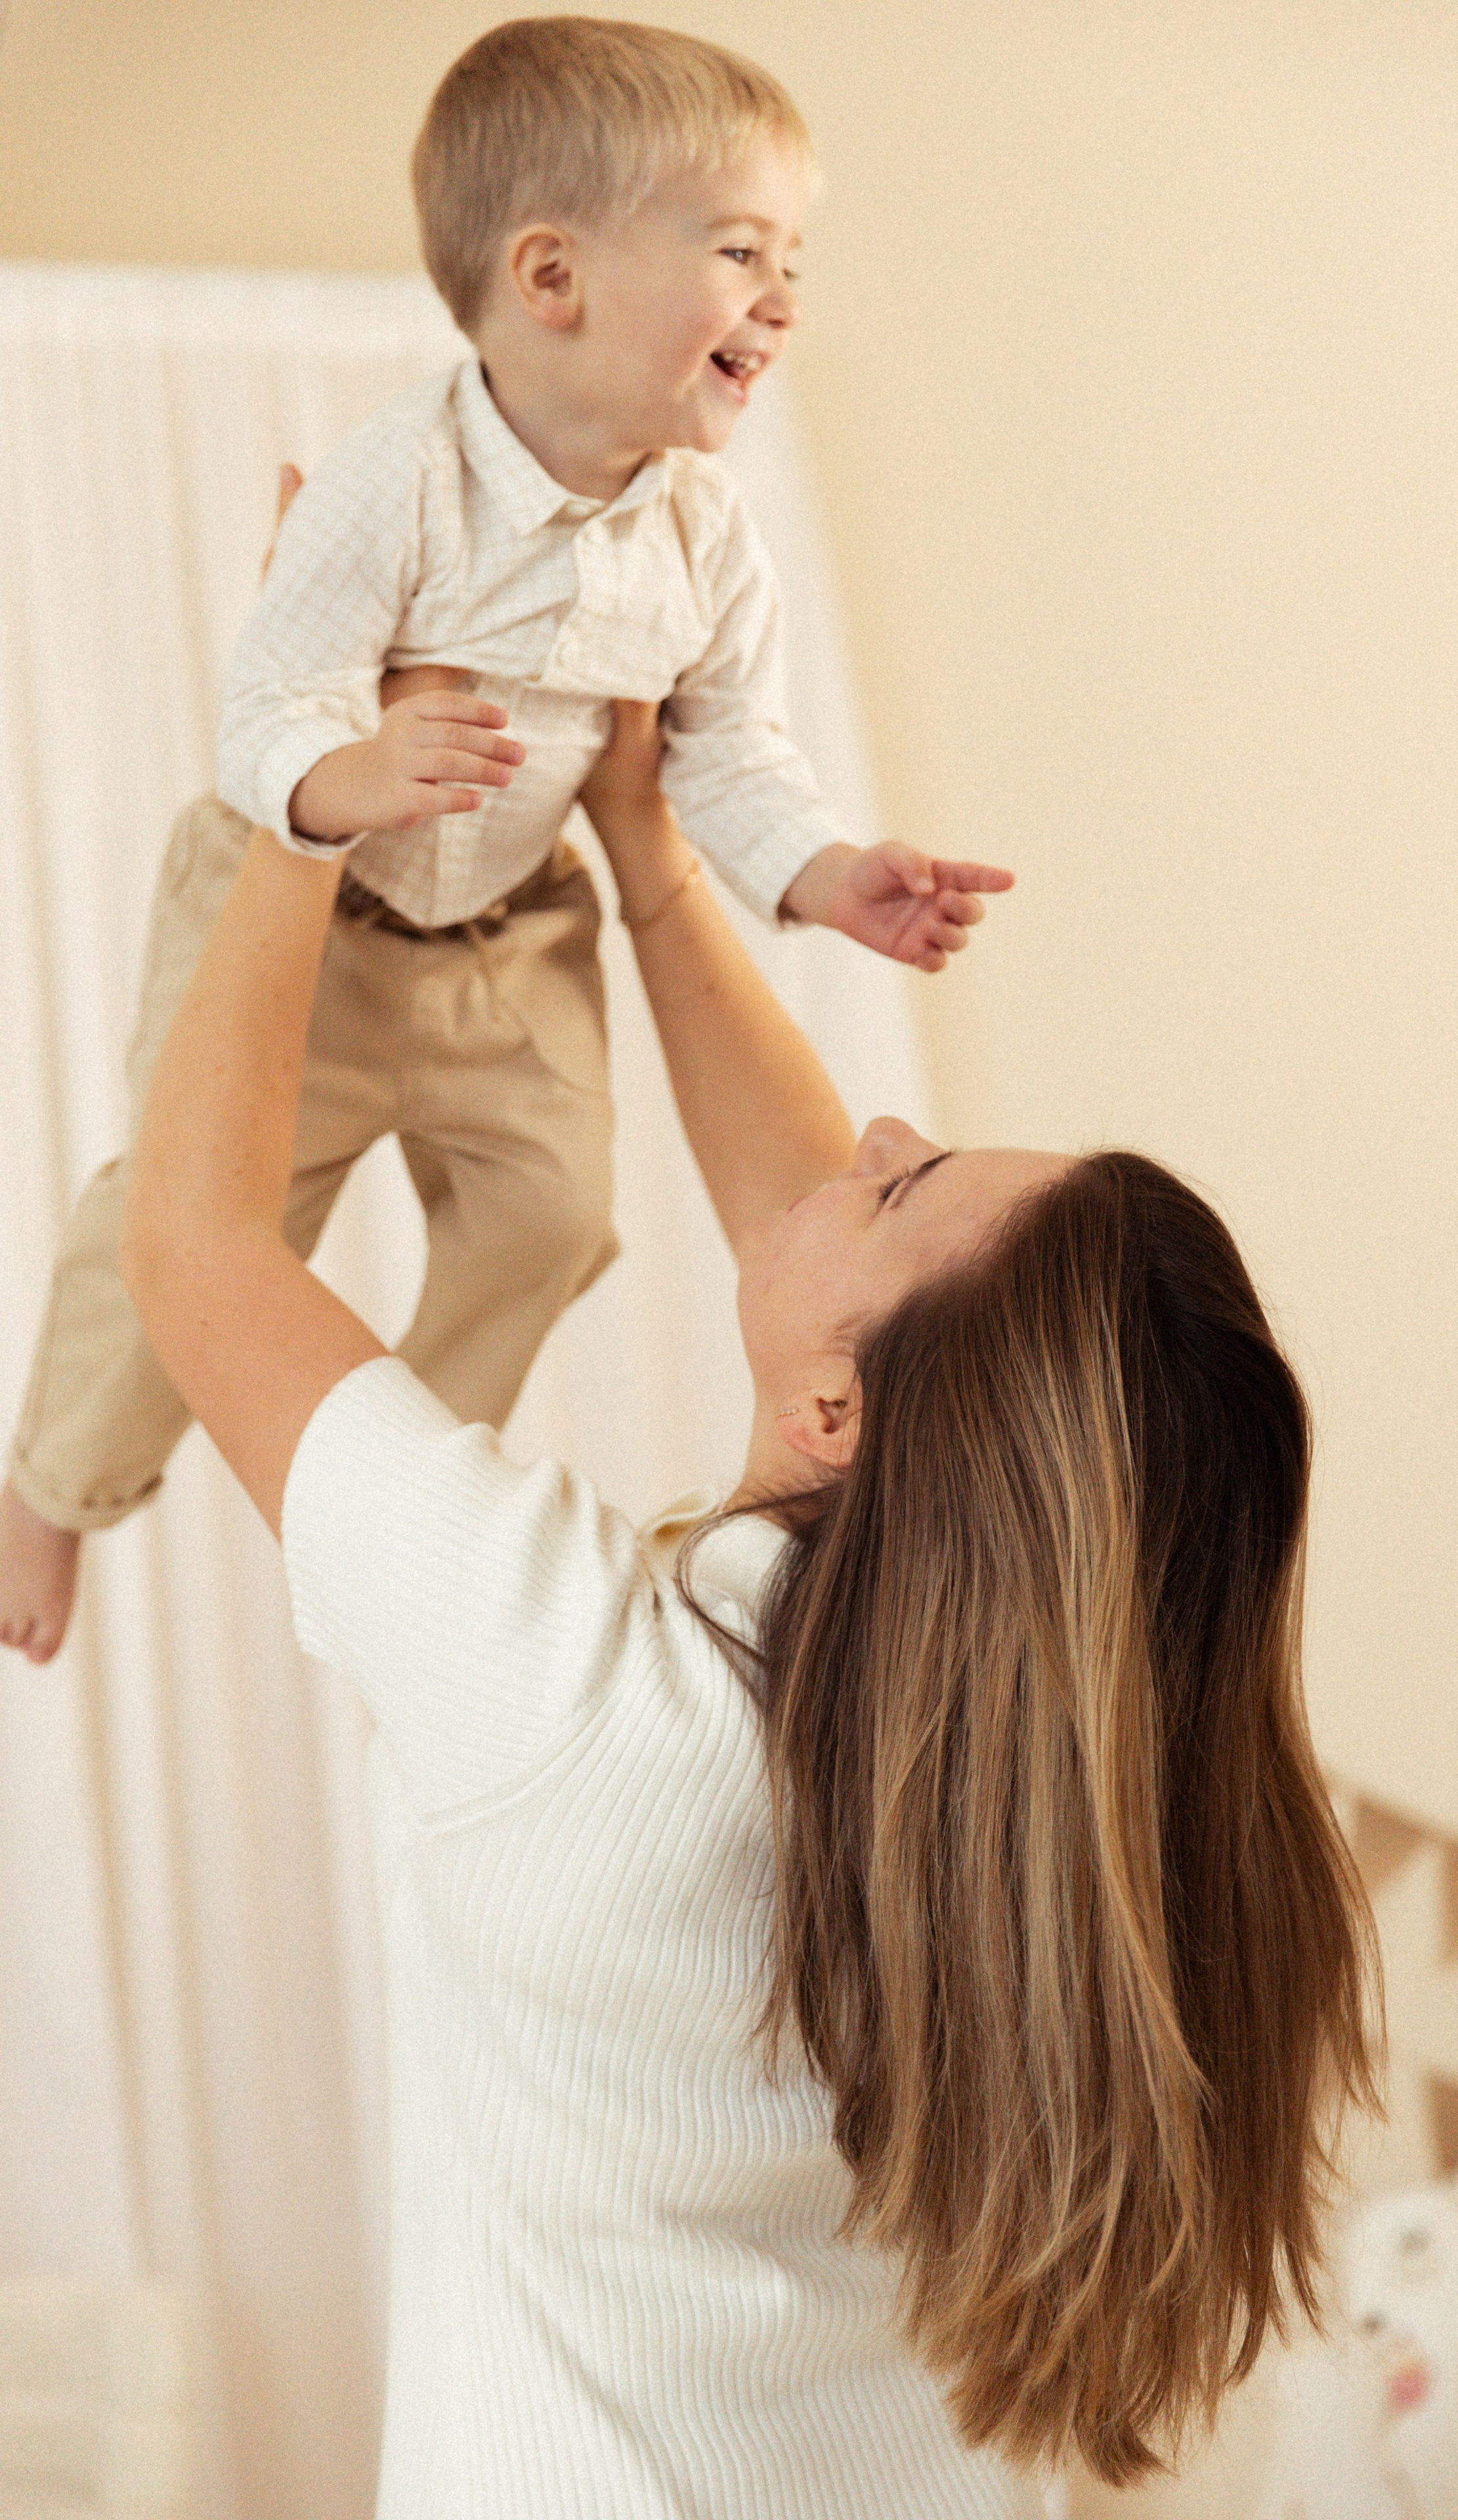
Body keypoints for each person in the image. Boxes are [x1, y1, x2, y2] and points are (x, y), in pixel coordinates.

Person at [117, 694, 1380, 2513]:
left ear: (840, 1419)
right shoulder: (1114, 1812)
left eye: (904, 1180)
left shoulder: (570, 1686)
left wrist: (303, 796)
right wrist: (645, 846)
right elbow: (833, 1256)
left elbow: (197, 1248)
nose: (874, 1130)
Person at [0, 15, 1009, 1663]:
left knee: (551, 1219)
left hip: (510, 929)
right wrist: (353, 768)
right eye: (740, 251)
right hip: (315, 931)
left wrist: (834, 878)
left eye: (792, 260)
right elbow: (268, 704)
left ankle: (381, 1498)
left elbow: (724, 754)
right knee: (186, 1217)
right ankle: (52, 1483)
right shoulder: (396, 483)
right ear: (551, 278)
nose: (782, 297)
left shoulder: (705, 536)